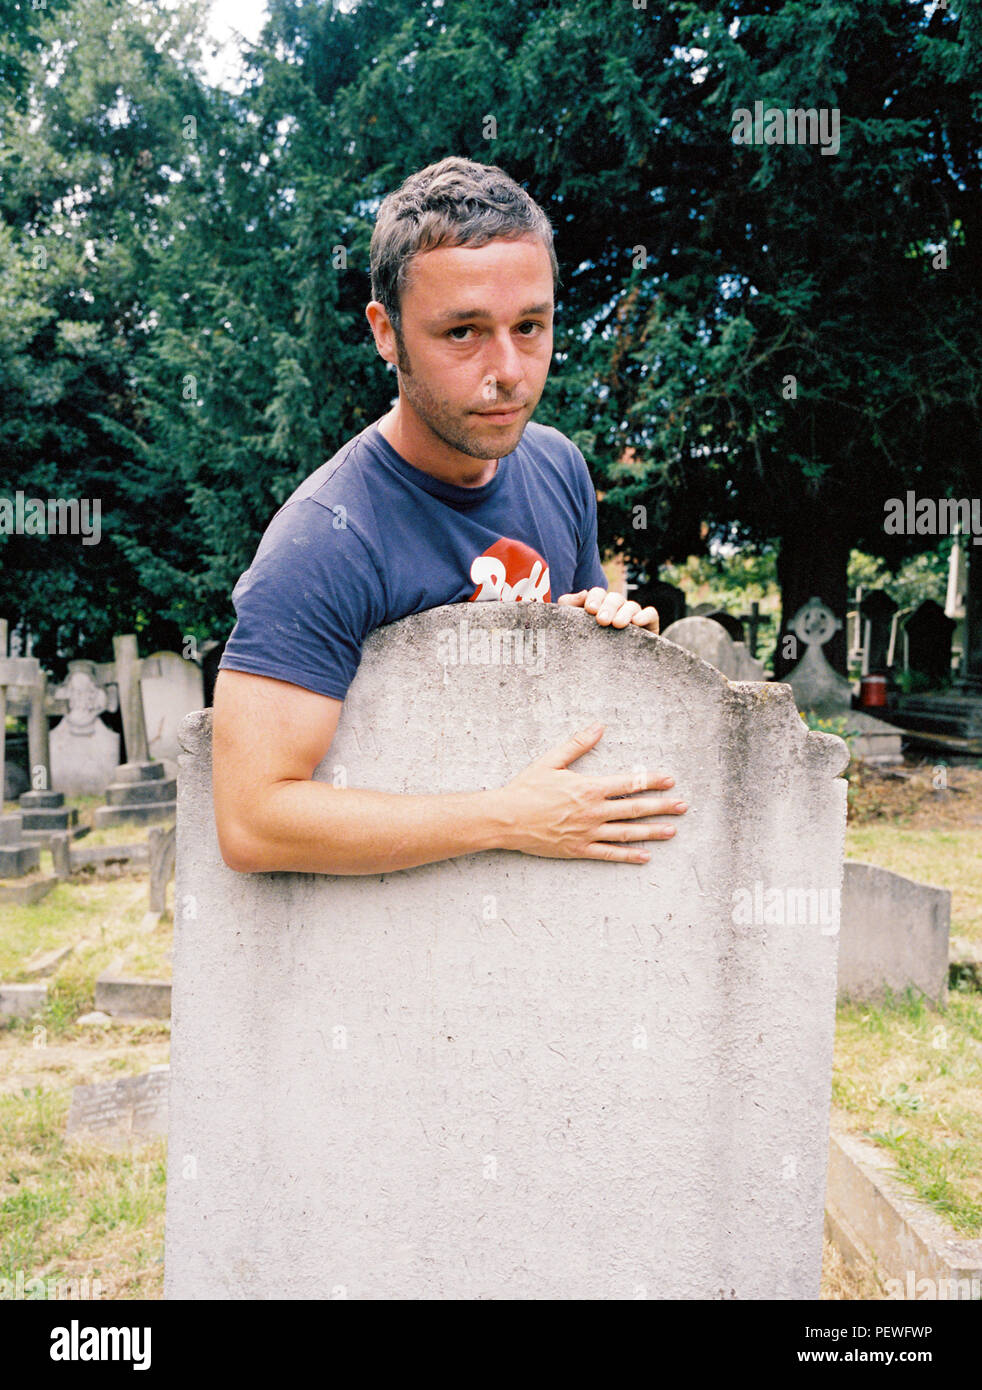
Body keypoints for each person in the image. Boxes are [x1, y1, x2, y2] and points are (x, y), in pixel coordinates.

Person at [213, 156, 687, 875]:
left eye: (530, 326)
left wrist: (615, 639)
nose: (509, 370)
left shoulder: (558, 467)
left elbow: (567, 707)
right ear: (385, 332)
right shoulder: (324, 539)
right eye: (462, 332)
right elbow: (253, 821)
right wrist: (508, 819)